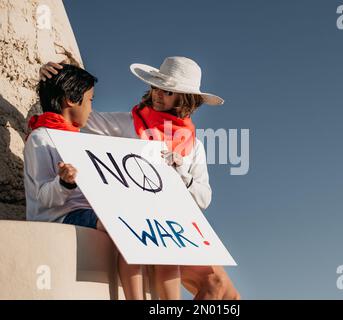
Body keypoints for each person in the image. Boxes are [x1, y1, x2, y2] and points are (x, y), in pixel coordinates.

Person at [40, 57, 241, 300]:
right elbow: (71, 114)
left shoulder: (194, 145)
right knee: (181, 283)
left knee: (224, 290)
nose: (157, 94)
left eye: (167, 91)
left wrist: (181, 175)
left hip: (176, 225)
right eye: (155, 86)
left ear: (185, 98)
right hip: (140, 224)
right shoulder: (127, 124)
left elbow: (204, 198)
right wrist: (55, 81)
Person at [25, 64, 144, 300]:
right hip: (61, 215)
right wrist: (64, 183)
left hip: (88, 211)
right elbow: (42, 197)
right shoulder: (40, 139)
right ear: (71, 99)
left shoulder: (81, 140)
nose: (92, 108)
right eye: (90, 100)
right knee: (126, 228)